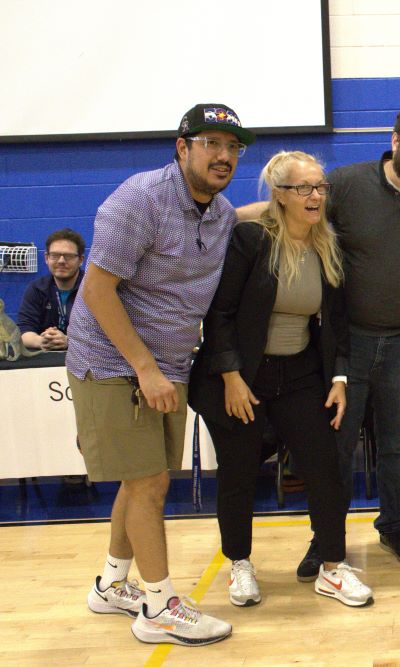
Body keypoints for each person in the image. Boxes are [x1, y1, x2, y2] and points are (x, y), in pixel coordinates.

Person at [240, 102, 400, 575]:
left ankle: (395, 527)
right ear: (396, 140)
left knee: (398, 443)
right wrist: (223, 220)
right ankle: (326, 539)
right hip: (345, 345)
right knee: (332, 448)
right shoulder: (350, 183)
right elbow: (291, 206)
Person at [68, 103, 254, 645]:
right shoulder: (139, 200)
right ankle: (158, 607)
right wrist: (144, 368)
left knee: (142, 477)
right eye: (211, 143)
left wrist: (294, 194)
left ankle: (111, 585)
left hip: (166, 365)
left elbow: (244, 215)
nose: (224, 156)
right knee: (149, 481)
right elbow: (97, 290)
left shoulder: (217, 213)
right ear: (183, 147)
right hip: (113, 363)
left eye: (233, 147)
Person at [188, 151, 372, 608]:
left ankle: (332, 567)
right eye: (304, 188)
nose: (315, 196)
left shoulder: (328, 244)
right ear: (281, 195)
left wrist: (340, 378)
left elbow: (339, 321)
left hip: (301, 374)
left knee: (325, 469)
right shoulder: (252, 240)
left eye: (320, 187)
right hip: (243, 376)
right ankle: (240, 565)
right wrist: (229, 375)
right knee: (239, 470)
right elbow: (222, 313)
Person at [17, 228, 86, 350]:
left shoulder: (94, 289)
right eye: (55, 255)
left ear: (81, 260)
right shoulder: (36, 289)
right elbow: (24, 331)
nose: (61, 261)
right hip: (46, 360)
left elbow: (107, 334)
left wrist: (69, 341)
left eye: (68, 256)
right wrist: (43, 341)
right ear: (46, 258)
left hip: (87, 359)